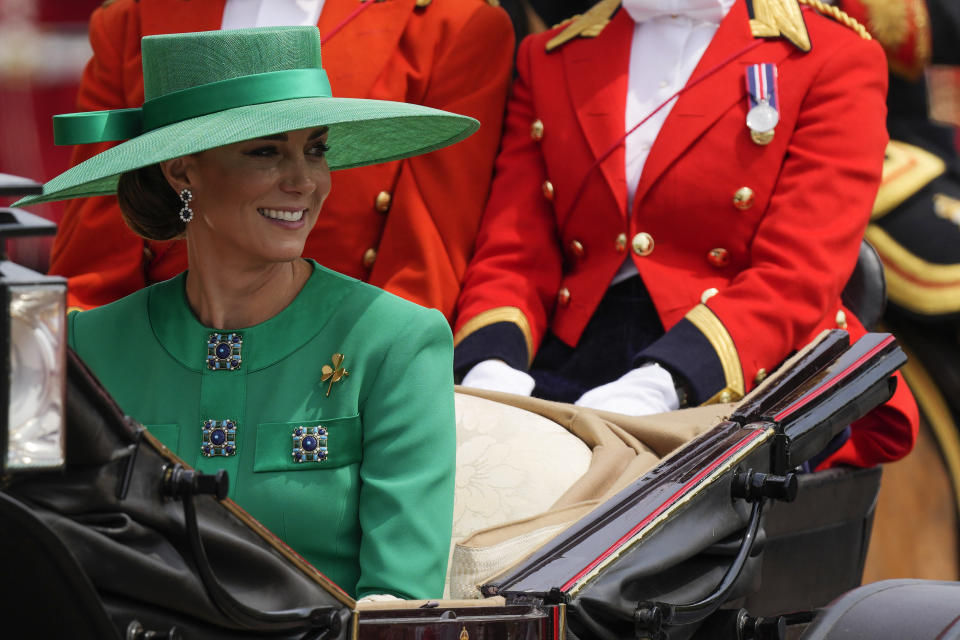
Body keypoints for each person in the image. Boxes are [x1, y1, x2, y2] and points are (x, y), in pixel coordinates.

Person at [19, 25, 474, 600]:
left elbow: (400, 607)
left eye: (316, 148)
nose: (304, 180)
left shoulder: (396, 342)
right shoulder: (82, 346)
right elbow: (33, 570)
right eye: (266, 151)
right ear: (182, 170)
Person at [453, 0, 918, 468]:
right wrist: (489, 366)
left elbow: (799, 272)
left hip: (739, 366)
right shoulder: (551, 55)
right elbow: (514, 249)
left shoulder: (831, 54)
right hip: (568, 360)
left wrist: (666, 381)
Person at [48, 0, 513, 321]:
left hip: (332, 374)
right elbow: (94, 275)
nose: (303, 179)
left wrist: (353, 383)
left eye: (319, 148)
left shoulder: (452, 24)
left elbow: (420, 270)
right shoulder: (131, 17)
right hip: (149, 370)